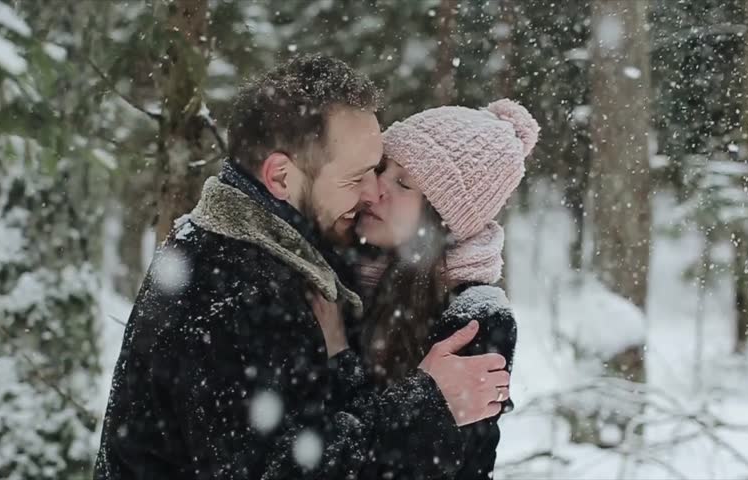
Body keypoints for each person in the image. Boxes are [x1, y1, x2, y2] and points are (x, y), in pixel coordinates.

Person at [95, 55, 511, 480]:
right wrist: (428, 405)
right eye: (357, 177)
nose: (371, 193)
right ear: (280, 177)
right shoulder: (230, 288)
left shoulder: (280, 259)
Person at [313, 99, 539, 479]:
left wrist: (339, 354)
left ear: (443, 219)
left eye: (403, 183)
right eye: (381, 169)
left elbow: (434, 467)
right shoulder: (330, 268)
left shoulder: (475, 316)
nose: (373, 191)